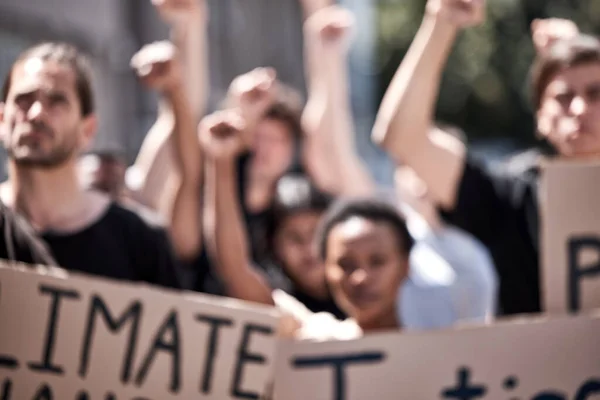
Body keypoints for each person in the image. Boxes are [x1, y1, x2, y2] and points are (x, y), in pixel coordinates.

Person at [371, 0, 600, 315]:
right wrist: (441, 24)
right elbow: (401, 137)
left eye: (596, 94)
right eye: (563, 97)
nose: (579, 110)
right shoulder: (510, 195)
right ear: (539, 117)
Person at [0, 41, 181, 288]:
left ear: (87, 130)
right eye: (24, 99)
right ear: (2, 118)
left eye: (56, 101)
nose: (36, 113)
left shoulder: (139, 240)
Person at [263, 173, 346, 319]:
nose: (309, 248)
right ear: (275, 246)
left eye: (316, 233)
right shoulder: (272, 300)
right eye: (294, 238)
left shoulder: (360, 290)